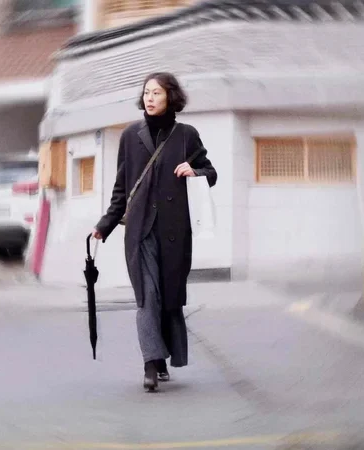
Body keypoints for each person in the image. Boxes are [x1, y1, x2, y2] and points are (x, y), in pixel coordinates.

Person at [92, 72, 217, 392]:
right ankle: (150, 362)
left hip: (175, 232)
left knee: (168, 298)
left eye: (157, 93)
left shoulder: (186, 135)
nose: (149, 98)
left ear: (170, 97)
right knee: (148, 297)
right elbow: (122, 188)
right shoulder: (130, 136)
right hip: (140, 232)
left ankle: (161, 357)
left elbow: (211, 173)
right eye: (147, 92)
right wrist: (106, 224)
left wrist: (195, 170)